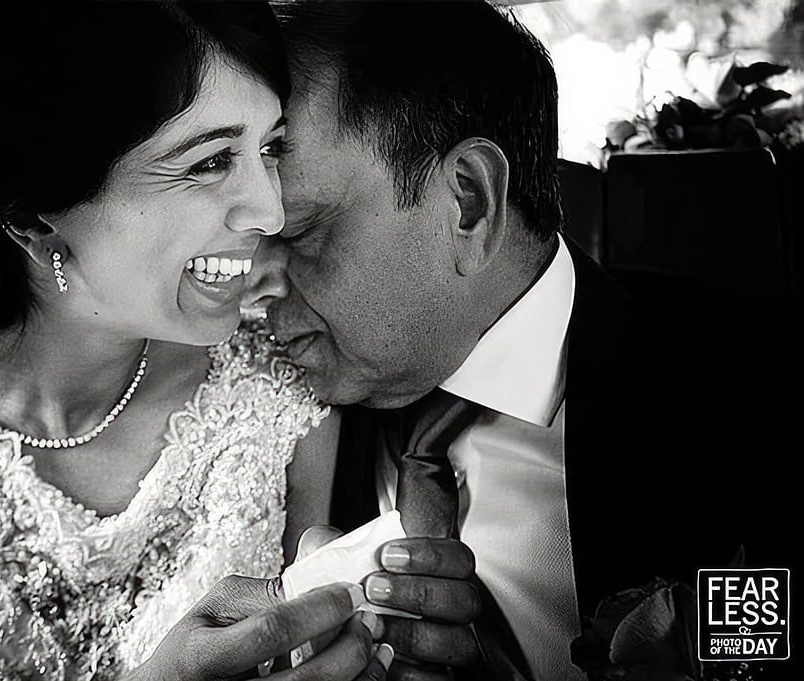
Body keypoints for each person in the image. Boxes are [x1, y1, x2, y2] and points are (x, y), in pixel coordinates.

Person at [0, 3, 390, 680]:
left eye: (269, 147)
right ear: (34, 220)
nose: (269, 210)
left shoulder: (286, 396)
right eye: (211, 161)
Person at [250, 2, 785, 679]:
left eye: (298, 232)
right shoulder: (262, 409)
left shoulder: (760, 389)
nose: (252, 286)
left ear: (469, 202)